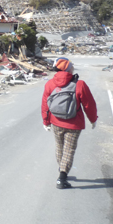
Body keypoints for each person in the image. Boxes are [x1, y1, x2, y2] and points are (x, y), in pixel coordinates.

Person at [41, 57, 97, 189]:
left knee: (60, 146)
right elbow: (89, 105)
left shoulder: (49, 84)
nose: (73, 68)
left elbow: (45, 105)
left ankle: (62, 169)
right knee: (69, 149)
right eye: (72, 66)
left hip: (56, 122)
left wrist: (46, 122)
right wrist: (93, 119)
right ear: (68, 68)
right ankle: (62, 177)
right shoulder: (80, 84)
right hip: (74, 123)